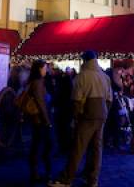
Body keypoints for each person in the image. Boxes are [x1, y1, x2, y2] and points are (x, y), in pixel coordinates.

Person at [49, 51, 113, 187]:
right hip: (101, 114)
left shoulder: (82, 76)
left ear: (84, 60)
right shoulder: (104, 76)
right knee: (97, 148)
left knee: (78, 147)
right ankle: (92, 179)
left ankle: (66, 178)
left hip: (87, 114)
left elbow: (76, 100)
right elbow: (109, 99)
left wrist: (76, 116)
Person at [28, 60, 54, 184]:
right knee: (43, 145)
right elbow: (40, 103)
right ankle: (41, 172)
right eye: (44, 68)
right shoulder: (38, 83)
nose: (46, 70)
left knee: (37, 145)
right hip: (40, 119)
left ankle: (37, 171)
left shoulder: (34, 81)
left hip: (38, 119)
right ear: (39, 69)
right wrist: (47, 120)